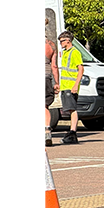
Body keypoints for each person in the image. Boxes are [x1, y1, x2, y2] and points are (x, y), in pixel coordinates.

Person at [56, 29, 84, 144]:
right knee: (69, 109)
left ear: (68, 41)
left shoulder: (74, 52)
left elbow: (81, 69)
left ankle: (73, 132)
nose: (61, 43)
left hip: (71, 86)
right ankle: (71, 132)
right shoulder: (66, 53)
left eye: (62, 41)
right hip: (65, 86)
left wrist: (75, 85)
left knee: (72, 109)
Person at [44, 10, 59, 147]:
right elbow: (54, 66)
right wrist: (57, 83)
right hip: (47, 77)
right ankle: (47, 129)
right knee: (45, 106)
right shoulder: (51, 45)